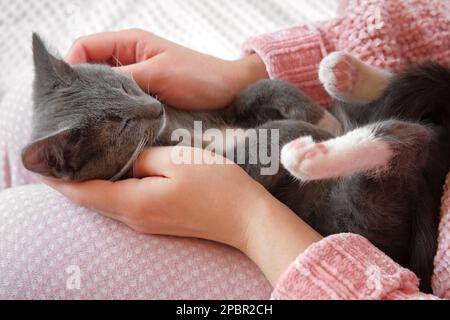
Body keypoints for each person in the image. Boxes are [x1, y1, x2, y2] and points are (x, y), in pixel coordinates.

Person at [1, 0, 449, 299]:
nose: (147, 102)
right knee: (21, 110)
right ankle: (375, 138)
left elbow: (262, 151)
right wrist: (239, 74)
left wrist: (248, 221)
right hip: (357, 143)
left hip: (341, 239)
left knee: (11, 239)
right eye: (123, 99)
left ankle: (380, 147)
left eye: (125, 83)